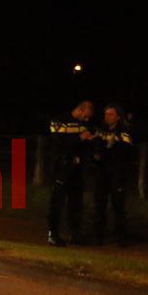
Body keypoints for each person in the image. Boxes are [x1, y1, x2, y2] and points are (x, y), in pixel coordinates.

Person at [46, 100, 96, 246]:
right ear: (80, 110)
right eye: (85, 116)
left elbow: (87, 143)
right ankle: (53, 234)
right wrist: (80, 138)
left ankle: (75, 233)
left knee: (76, 202)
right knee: (57, 201)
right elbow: (58, 142)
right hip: (61, 167)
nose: (87, 120)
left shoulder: (84, 124)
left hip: (77, 168)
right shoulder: (60, 121)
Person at [92, 103, 133, 246]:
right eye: (106, 114)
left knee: (118, 207)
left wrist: (114, 145)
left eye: (110, 114)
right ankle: (98, 237)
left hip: (117, 175)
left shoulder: (123, 132)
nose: (107, 117)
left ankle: (122, 238)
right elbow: (96, 148)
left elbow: (127, 152)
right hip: (102, 174)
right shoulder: (101, 130)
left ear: (118, 117)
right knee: (99, 206)